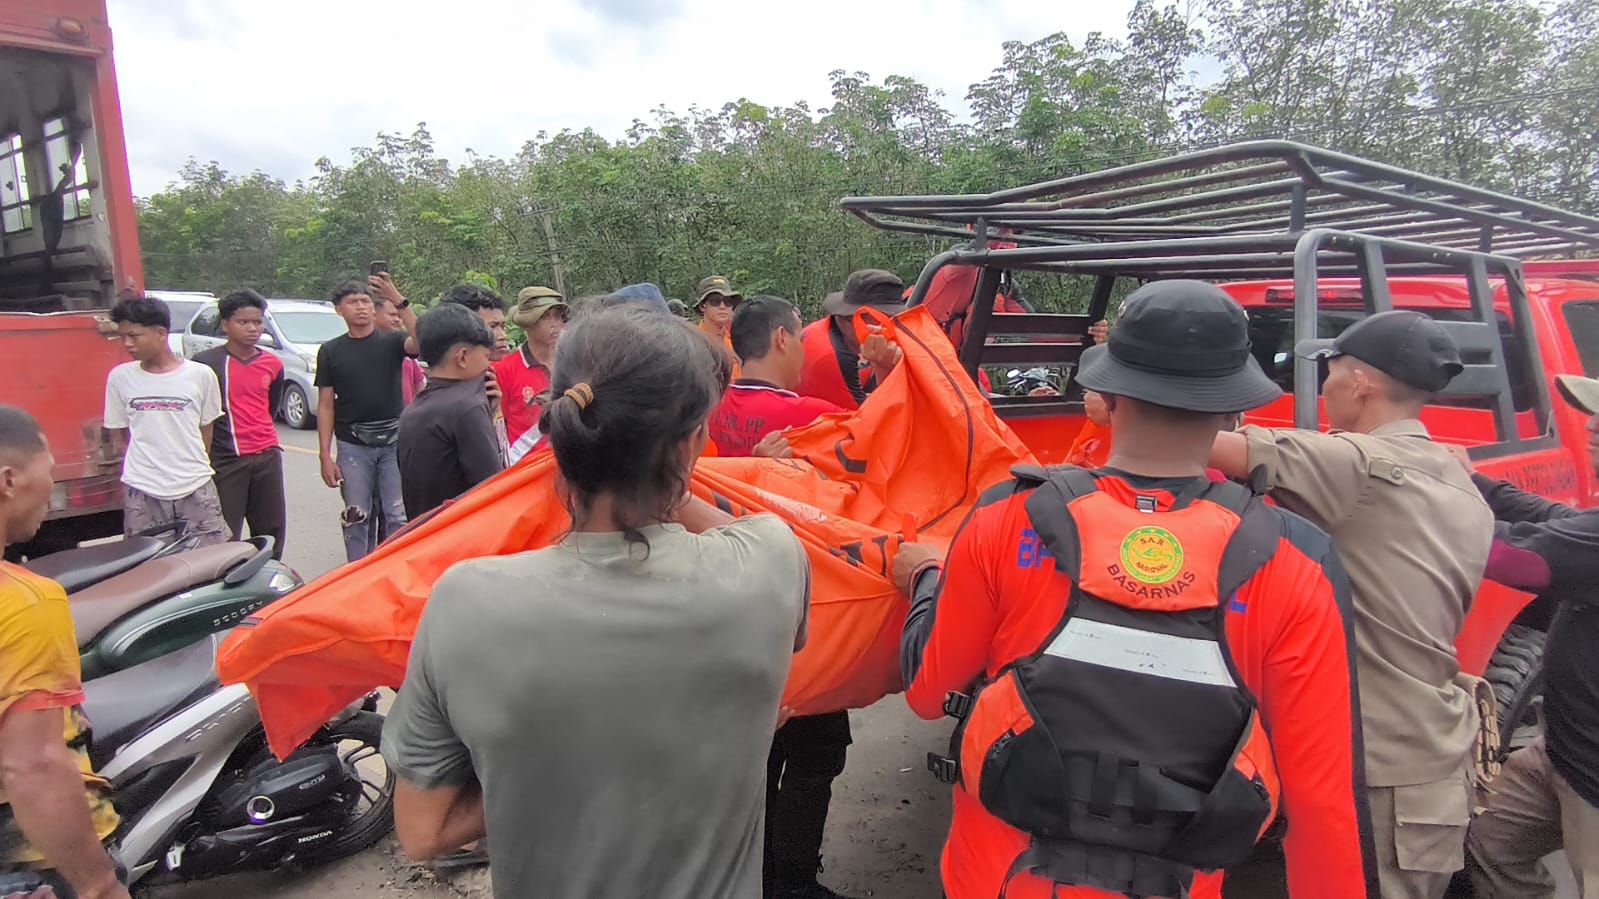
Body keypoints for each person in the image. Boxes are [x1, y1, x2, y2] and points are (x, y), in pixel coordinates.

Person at [895, 280, 1371, 899]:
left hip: (1002, 880)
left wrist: (928, 580)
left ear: (1107, 395)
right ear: (1233, 413)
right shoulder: (1295, 559)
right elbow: (1324, 804)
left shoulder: (1006, 520)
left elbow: (930, 694)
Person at [382, 305, 810, 899]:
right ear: (692, 444)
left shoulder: (466, 601)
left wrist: (543, 762)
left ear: (563, 427)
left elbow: (423, 833)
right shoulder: (769, 564)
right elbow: (739, 527)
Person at [1209, 308, 1492, 899]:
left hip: (1381, 777)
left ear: (1362, 381)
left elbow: (1194, 439)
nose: (1326, 386)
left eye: (1331, 372)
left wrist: (1123, 397)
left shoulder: (1361, 468)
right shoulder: (1455, 472)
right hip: (1424, 761)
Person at [707, 296, 853, 899]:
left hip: (720, 607)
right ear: (784, 339)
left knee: (752, 751)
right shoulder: (819, 417)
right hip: (806, 611)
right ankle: (791, 881)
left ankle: (751, 876)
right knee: (816, 750)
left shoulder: (705, 411)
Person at [1458, 373, 1599, 898]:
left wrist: (1427, 502)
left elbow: (1516, 557)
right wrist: (1477, 484)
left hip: (1594, 779)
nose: (1591, 427)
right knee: (1492, 842)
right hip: (1563, 750)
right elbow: (1557, 519)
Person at [0, 406, 129, 899]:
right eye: (49, 471)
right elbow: (31, 767)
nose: (50, 492)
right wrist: (97, 885)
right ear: (10, 480)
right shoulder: (25, 602)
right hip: (30, 861)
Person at [103, 295, 228, 547]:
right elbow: (123, 434)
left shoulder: (200, 375)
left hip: (194, 484)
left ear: (161, 333)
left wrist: (187, 462)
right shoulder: (120, 378)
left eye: (134, 336)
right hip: (143, 488)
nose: (127, 344)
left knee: (208, 561)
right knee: (148, 567)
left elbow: (206, 430)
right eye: (122, 336)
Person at [315, 276, 419, 563]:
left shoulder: (393, 342)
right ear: (339, 310)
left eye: (364, 301)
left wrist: (398, 299)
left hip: (394, 442)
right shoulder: (331, 351)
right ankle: (356, 572)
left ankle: (394, 568)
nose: (360, 307)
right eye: (352, 302)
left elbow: (424, 342)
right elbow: (325, 405)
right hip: (353, 445)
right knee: (357, 514)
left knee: (397, 513)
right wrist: (325, 455)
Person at [192, 290, 288, 559]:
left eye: (257, 322)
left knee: (271, 529)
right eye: (243, 322)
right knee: (225, 533)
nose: (252, 329)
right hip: (226, 462)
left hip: (267, 457)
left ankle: (270, 579)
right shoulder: (206, 364)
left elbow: (270, 407)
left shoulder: (272, 363)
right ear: (225, 324)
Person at [397, 305, 503, 520]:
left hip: (425, 533)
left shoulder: (413, 409)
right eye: (485, 356)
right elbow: (493, 487)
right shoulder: (467, 409)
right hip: (462, 537)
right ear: (462, 357)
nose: (488, 365)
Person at [710, 295, 844, 459]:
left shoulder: (707, 405)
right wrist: (882, 365)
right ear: (781, 338)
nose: (804, 349)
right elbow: (875, 435)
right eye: (801, 339)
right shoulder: (814, 415)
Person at [796, 270, 904, 411]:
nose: (892, 325)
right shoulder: (831, 357)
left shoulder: (835, 328)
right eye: (886, 318)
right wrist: (884, 367)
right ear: (857, 317)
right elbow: (871, 420)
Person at [497, 286, 567, 458]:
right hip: (526, 470)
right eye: (545, 317)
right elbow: (499, 428)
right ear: (528, 323)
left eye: (558, 316)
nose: (555, 323)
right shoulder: (504, 369)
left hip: (568, 465)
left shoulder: (571, 363)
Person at [378, 298, 427, 405]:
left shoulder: (407, 349)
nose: (397, 319)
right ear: (374, 314)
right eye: (392, 315)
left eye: (400, 316)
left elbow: (419, 382)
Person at [696, 275, 743, 379]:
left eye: (728, 301)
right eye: (715, 301)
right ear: (702, 306)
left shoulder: (737, 341)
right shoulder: (693, 343)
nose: (722, 306)